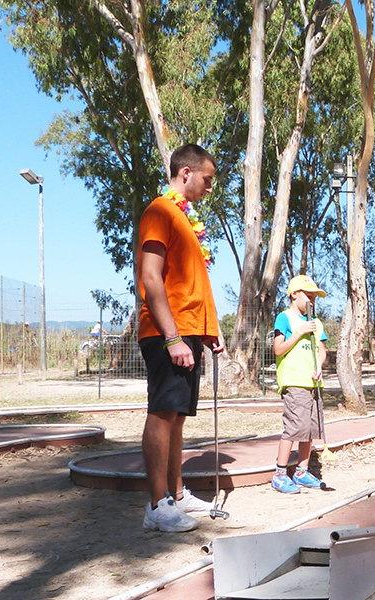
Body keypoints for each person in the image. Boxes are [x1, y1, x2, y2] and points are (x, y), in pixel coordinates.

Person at [138, 143, 224, 532]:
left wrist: (205, 332)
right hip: (166, 331)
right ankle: (157, 505)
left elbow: (187, 283)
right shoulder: (160, 211)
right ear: (186, 173)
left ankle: (176, 493)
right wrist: (172, 337)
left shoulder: (185, 219)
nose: (210, 187)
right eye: (207, 179)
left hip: (188, 330)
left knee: (176, 418)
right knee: (163, 413)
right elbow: (151, 275)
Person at [270, 274, 329, 493]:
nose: (313, 300)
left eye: (315, 297)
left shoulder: (317, 323)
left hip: (313, 383)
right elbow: (278, 349)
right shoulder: (284, 318)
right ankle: (280, 474)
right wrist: (299, 332)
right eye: (309, 296)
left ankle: (302, 472)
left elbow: (322, 351)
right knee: (295, 427)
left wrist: (319, 365)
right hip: (294, 381)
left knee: (310, 429)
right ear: (295, 294)